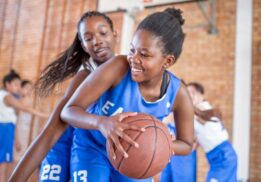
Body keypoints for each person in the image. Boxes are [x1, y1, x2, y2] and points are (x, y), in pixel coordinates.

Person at [61, 8, 194, 182]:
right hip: (93, 148)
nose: (134, 58)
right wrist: (102, 122)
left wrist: (163, 144)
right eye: (133, 50)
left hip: (135, 154)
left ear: (167, 61)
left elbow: (187, 144)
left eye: (144, 54)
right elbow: (68, 111)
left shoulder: (178, 94)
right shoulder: (118, 67)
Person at [9, 11, 117, 182]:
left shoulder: (130, 73)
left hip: (99, 145)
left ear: (114, 33)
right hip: (64, 141)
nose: (97, 40)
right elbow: (51, 132)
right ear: (83, 45)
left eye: (103, 33)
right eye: (88, 38)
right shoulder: (84, 77)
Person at [0, 70, 47, 181]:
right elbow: (26, 108)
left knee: (7, 162)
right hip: (4, 129)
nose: (18, 87)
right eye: (16, 84)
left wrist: (16, 139)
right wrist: (46, 115)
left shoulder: (9, 96)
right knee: (4, 163)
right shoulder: (6, 96)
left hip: (8, 129)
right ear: (7, 84)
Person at [187, 82, 237, 182]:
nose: (190, 96)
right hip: (216, 158)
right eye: (187, 93)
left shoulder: (203, 109)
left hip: (224, 156)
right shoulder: (199, 113)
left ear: (201, 95)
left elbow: (197, 119)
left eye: (192, 92)